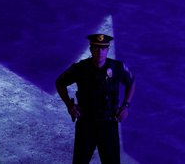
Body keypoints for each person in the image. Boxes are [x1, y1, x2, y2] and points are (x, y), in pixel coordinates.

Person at [56, 34, 136, 164]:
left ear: (108, 50)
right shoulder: (80, 68)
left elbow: (131, 82)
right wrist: (69, 105)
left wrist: (126, 106)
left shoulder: (117, 67)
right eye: (96, 48)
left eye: (103, 48)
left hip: (109, 123)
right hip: (86, 123)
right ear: (91, 49)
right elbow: (60, 83)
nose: (100, 52)